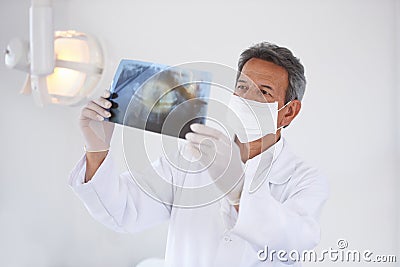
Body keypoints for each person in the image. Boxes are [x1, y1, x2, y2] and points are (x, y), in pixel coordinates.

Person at [69, 42, 329, 267]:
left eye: (263, 91)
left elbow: (294, 242)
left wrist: (237, 190)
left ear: (289, 112)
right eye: (242, 87)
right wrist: (97, 149)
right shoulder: (193, 154)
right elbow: (125, 211)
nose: (247, 98)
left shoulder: (304, 180)